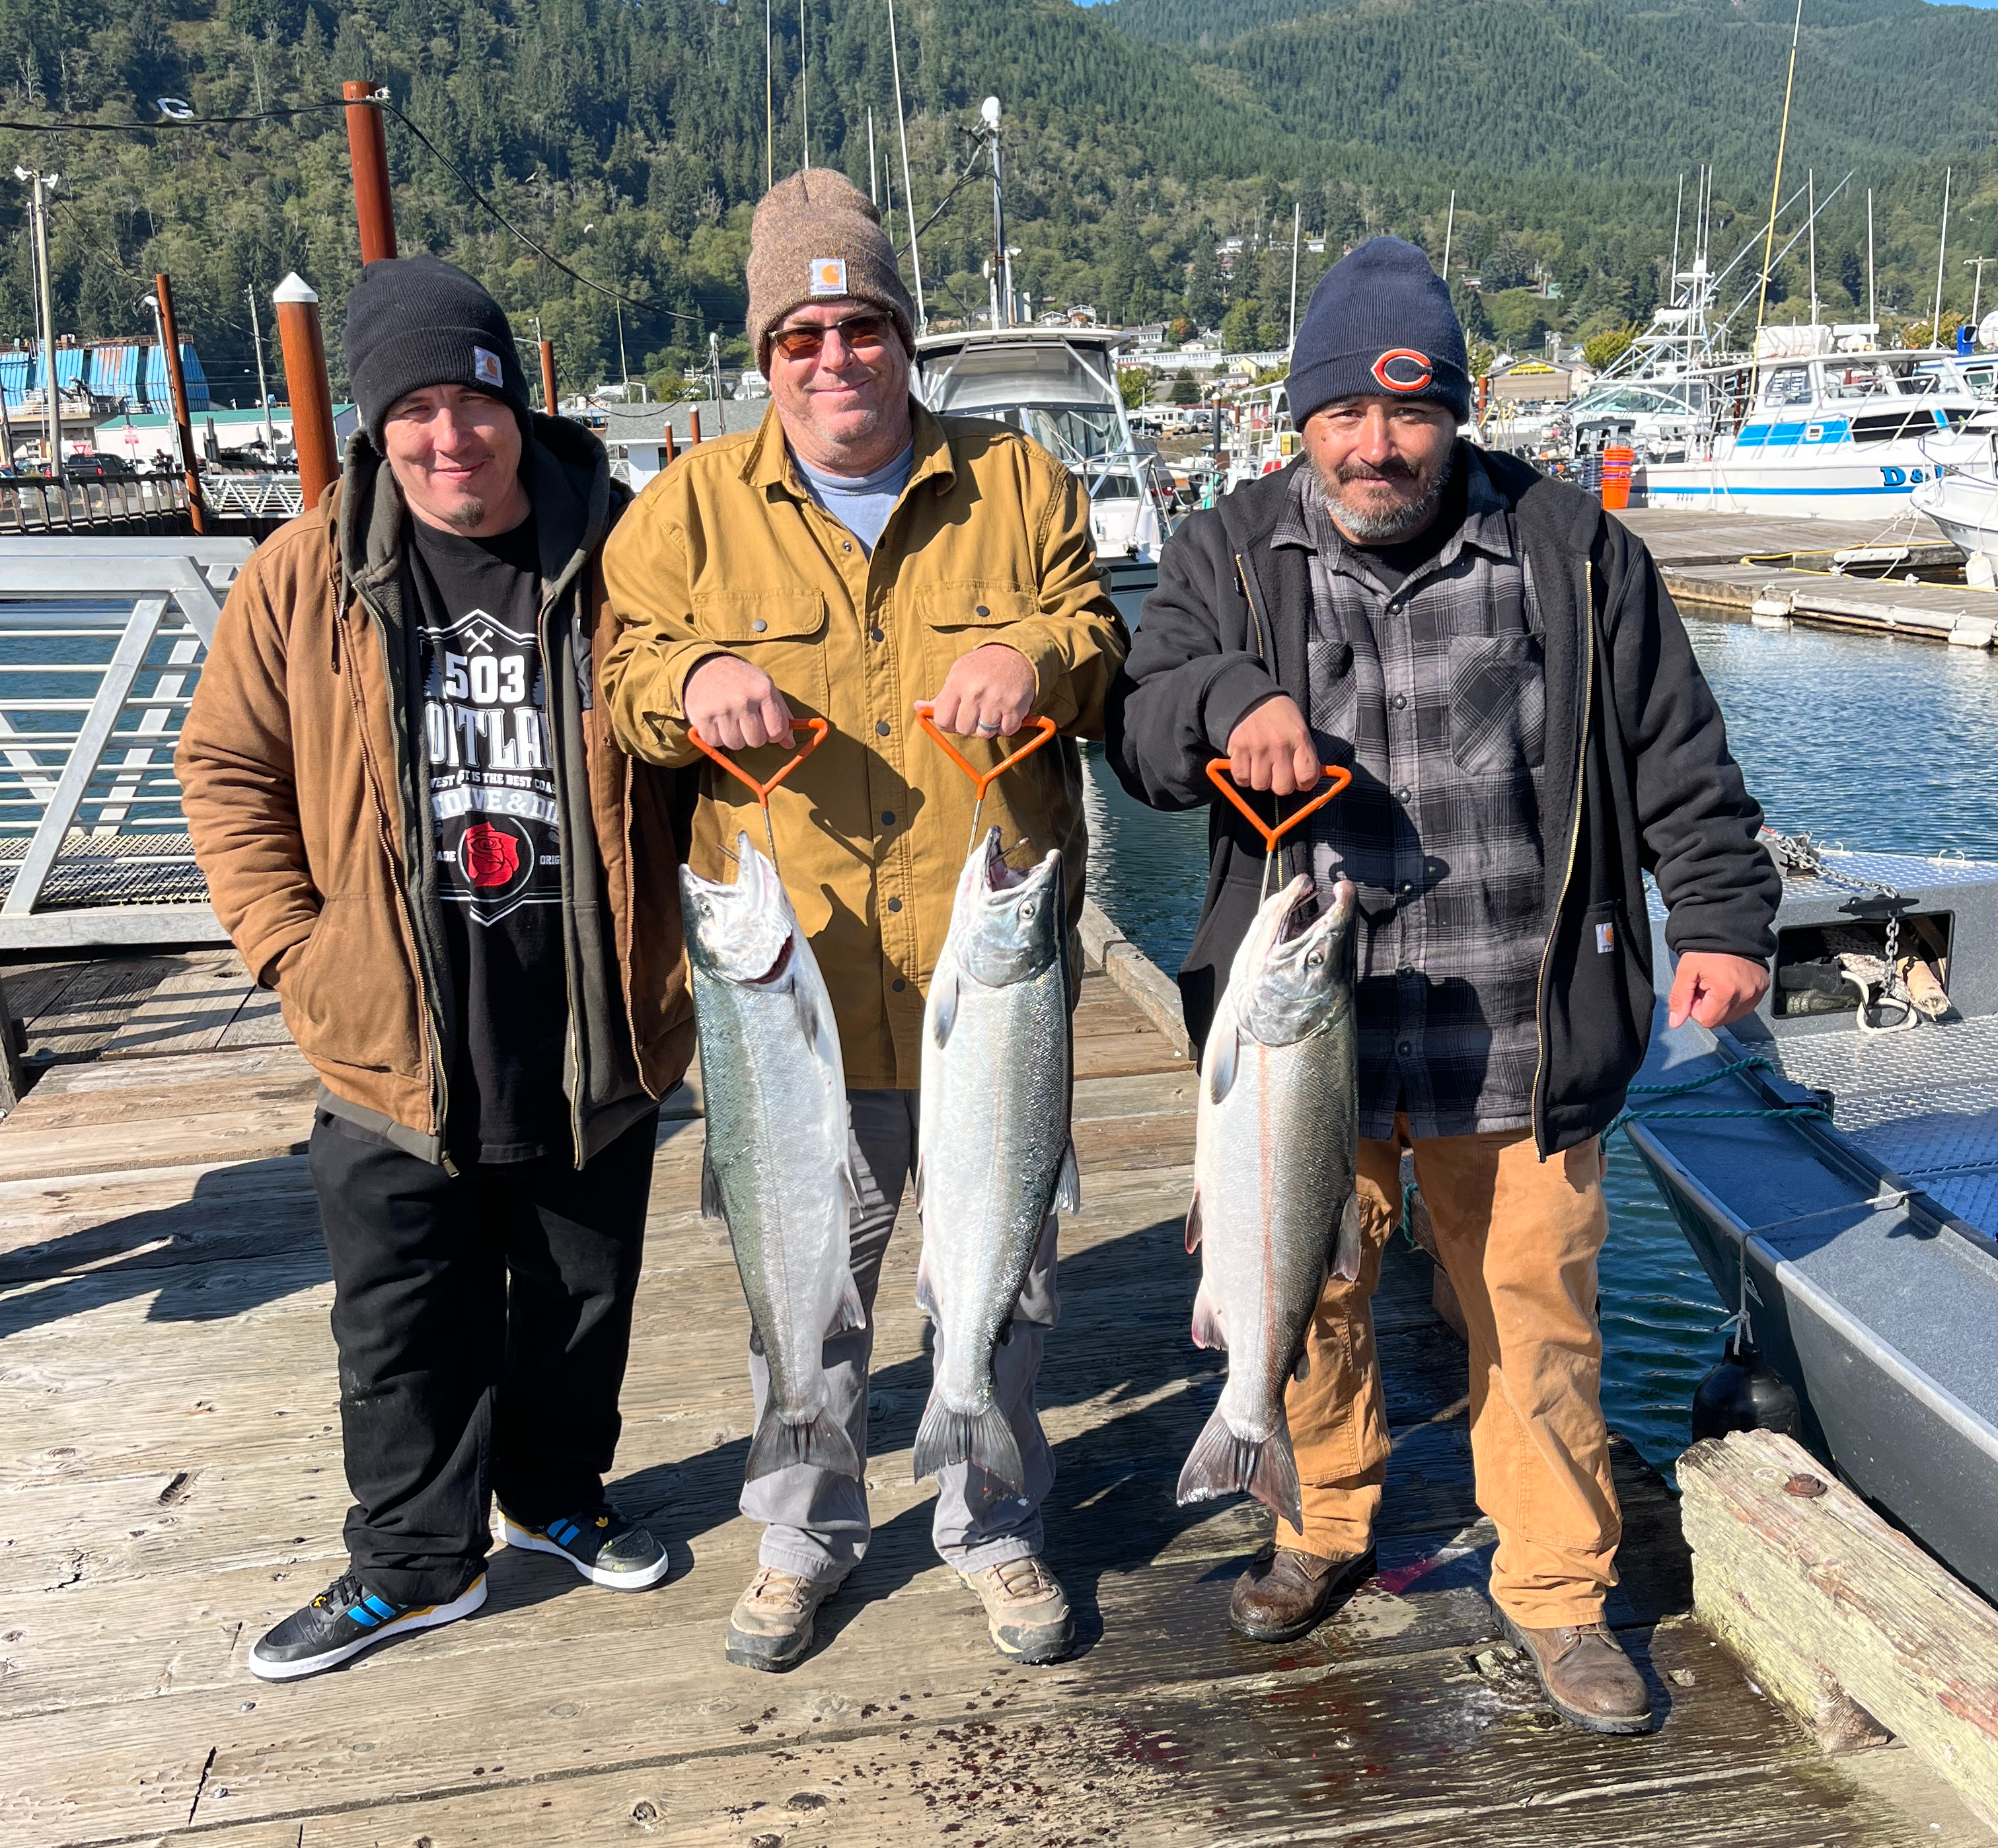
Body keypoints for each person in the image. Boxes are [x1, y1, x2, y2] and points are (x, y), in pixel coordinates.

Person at [1107, 237, 1777, 1735]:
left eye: (1409, 415)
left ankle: (1555, 1593)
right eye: (1345, 414)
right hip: (1303, 1041)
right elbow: (1142, 739)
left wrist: (1724, 914)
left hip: (1523, 1038)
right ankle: (1320, 1524)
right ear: (1302, 422)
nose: (1376, 446)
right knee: (1314, 1297)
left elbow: (1679, 751)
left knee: (1535, 1323)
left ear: (1457, 415)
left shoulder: (1572, 547)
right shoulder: (1226, 552)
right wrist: (1226, 698)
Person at [602, 169, 1125, 1673]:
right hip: (796, 998)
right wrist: (693, 682)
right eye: (803, 337)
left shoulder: (1019, 484)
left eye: (862, 328)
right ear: (765, 361)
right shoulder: (689, 508)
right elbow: (626, 686)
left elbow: (1097, 642)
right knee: (804, 1286)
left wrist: (1030, 655)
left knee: (1002, 1271)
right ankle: (807, 1538)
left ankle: (992, 1526)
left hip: (991, 981)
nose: (836, 360)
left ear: (907, 338)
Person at [178, 257, 695, 1682]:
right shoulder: (307, 571)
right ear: (373, 425)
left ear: (512, 402)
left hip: (590, 1015)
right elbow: (226, 768)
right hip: (393, 1030)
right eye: (411, 410)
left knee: (582, 1296)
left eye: (469, 402)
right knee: (403, 1315)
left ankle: (552, 1498)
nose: (446, 438)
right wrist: (295, 948)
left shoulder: (626, 548)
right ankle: (411, 1564)